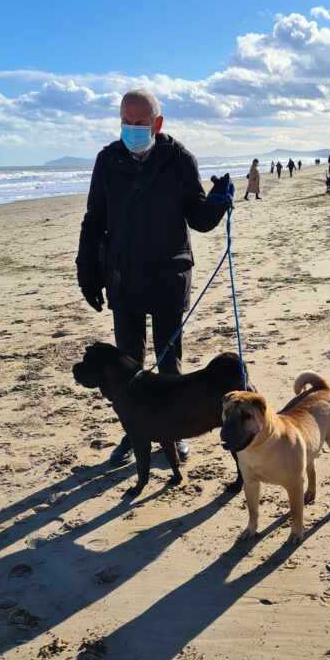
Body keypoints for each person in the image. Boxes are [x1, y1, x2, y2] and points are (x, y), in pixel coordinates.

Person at [76, 88, 232, 467]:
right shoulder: (108, 160)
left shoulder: (179, 160)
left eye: (139, 123)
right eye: (125, 122)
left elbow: (197, 218)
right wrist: (88, 273)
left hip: (167, 276)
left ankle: (174, 433)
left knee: (168, 364)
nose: (131, 129)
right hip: (123, 277)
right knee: (128, 366)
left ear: (157, 124)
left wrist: (216, 202)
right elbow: (94, 220)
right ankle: (135, 432)